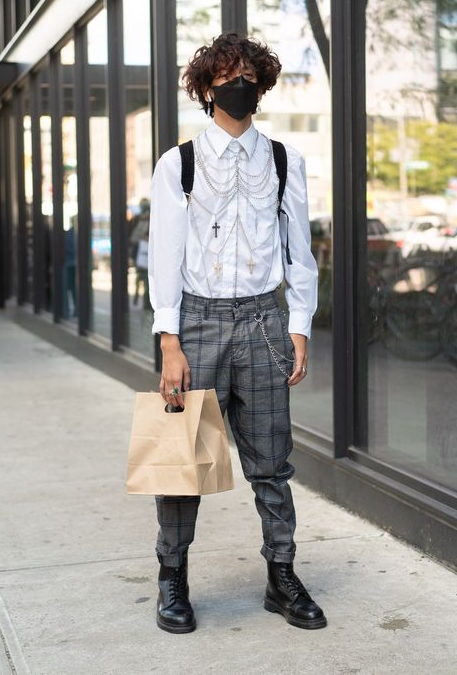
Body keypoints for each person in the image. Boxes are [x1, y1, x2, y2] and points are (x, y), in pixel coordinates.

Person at [148, 32, 325, 634]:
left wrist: (299, 325)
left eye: (248, 73)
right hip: (197, 323)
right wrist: (169, 341)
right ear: (207, 87)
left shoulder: (283, 160)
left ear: (263, 83)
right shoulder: (179, 163)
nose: (239, 83)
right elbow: (165, 256)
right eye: (227, 75)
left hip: (265, 322)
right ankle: (172, 578)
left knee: (273, 463)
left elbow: (300, 253)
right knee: (183, 462)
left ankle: (282, 575)